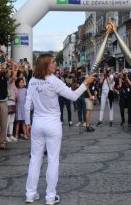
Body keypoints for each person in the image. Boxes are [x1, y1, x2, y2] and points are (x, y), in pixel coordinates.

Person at [24, 54, 95, 204]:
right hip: (52, 124)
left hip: (37, 123)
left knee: (35, 159)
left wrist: (27, 123)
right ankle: (50, 197)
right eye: (53, 62)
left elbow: (27, 105)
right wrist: (85, 83)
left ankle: (30, 194)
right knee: (52, 160)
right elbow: (74, 96)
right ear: (46, 65)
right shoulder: (54, 81)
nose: (55, 64)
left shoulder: (32, 81)